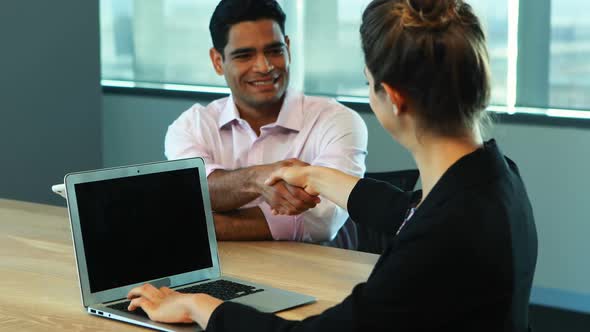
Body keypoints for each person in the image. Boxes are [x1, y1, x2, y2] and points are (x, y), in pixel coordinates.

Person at [128, 0, 538, 330]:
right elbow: (406, 210)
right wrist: (311, 176)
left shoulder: (434, 243)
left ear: (392, 97)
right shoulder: (498, 179)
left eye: (367, 81)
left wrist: (202, 307)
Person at [164, 0, 368, 244]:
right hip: (226, 275)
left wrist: (208, 223)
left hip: (313, 276)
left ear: (288, 49)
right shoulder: (191, 126)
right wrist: (260, 179)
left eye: (274, 51)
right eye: (244, 55)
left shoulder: (337, 120)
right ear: (218, 61)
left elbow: (322, 220)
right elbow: (192, 193)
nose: (264, 66)